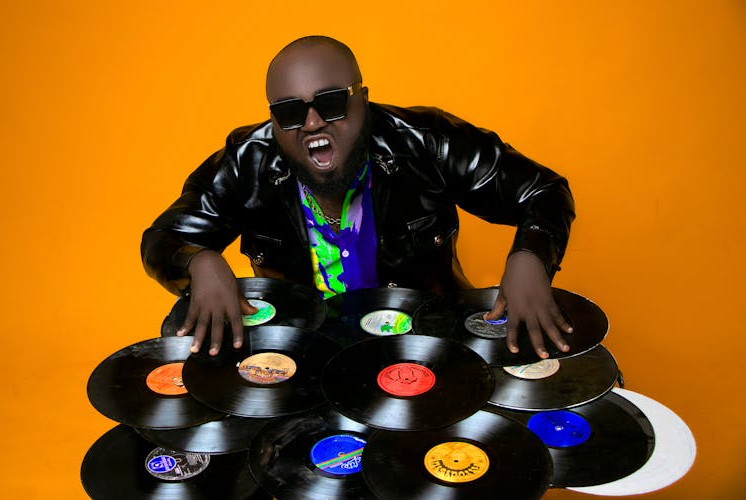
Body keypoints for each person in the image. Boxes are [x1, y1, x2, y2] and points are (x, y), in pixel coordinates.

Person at [141, 35, 575, 359]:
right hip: (302, 354)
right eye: (290, 112)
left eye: (331, 103)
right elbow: (162, 239)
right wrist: (199, 262)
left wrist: (530, 256)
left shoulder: (427, 141)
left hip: (428, 346)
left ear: (363, 101)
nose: (311, 123)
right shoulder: (246, 161)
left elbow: (544, 190)